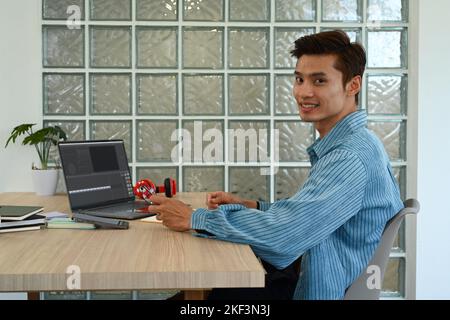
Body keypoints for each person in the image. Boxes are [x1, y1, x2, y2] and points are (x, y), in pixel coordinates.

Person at [147, 30, 404, 300]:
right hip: (308, 271)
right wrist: (255, 207)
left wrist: (194, 218)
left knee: (197, 297)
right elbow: (307, 215)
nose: (304, 92)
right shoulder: (354, 143)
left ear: (353, 85)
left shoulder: (348, 157)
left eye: (319, 81)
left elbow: (287, 235)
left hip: (316, 287)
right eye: (299, 79)